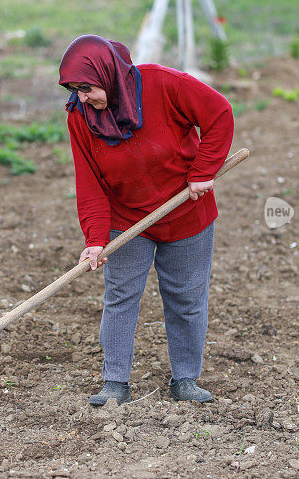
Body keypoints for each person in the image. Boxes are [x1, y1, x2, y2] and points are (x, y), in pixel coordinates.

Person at [58, 35, 234, 405]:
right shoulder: (80, 115)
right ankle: (115, 383)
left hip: (187, 210)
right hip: (127, 218)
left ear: (108, 74)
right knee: (121, 296)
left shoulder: (164, 84)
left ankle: (185, 379)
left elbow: (218, 114)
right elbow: (88, 179)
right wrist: (94, 237)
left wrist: (203, 171)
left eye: (86, 88)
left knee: (187, 298)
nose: (82, 97)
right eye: (75, 89)